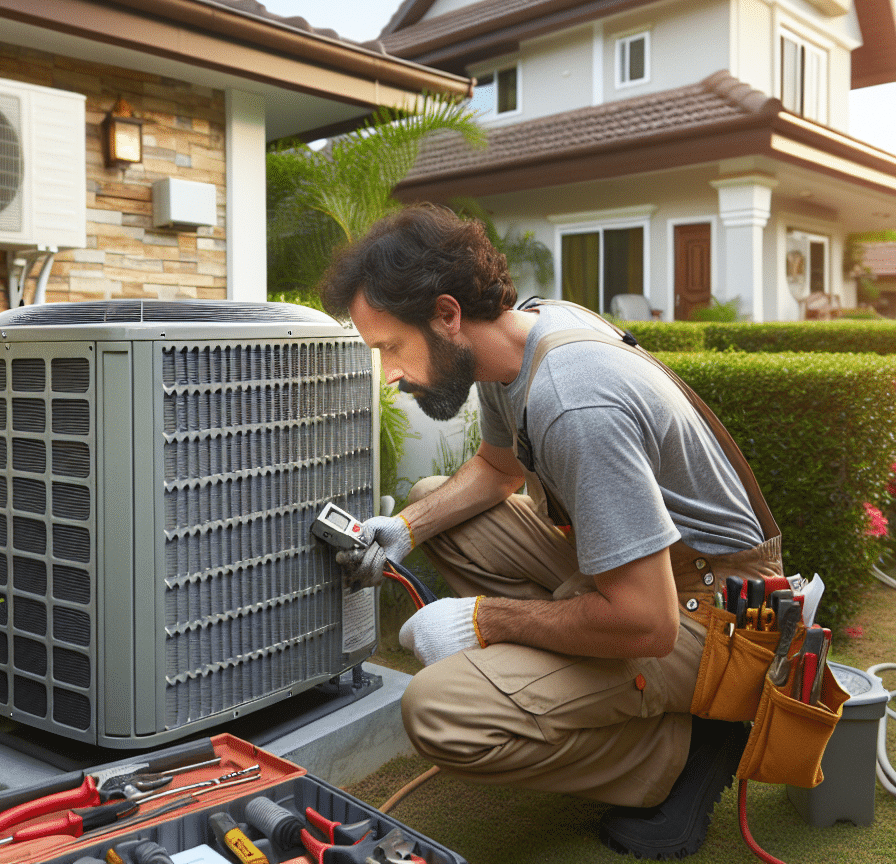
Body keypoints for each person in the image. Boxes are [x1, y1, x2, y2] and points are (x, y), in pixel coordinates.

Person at [318, 203, 783, 859]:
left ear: (447, 314)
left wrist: (484, 621)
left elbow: (649, 624)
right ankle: (581, 672)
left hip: (715, 612)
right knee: (435, 501)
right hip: (657, 577)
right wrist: (405, 528)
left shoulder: (573, 401)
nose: (390, 374)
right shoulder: (526, 339)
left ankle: (682, 750)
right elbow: (497, 470)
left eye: (391, 346)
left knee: (437, 712)